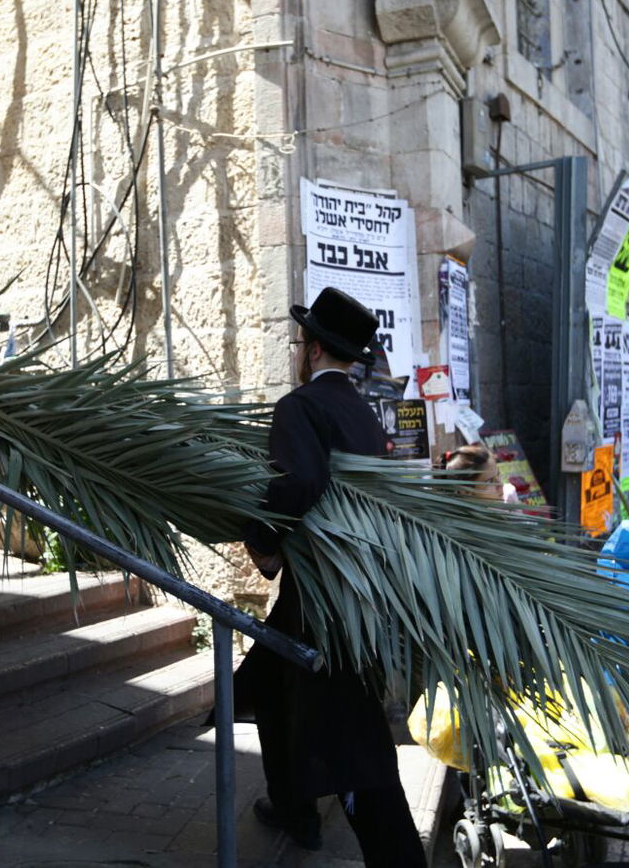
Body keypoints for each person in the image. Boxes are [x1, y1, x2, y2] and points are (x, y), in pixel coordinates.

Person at [235, 287, 424, 866]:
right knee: (269, 685)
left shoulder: (300, 406)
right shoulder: (362, 411)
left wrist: (264, 544)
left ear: (312, 349)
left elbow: (296, 484)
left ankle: (397, 859)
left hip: (325, 602)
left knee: (356, 751)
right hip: (344, 594)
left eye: (301, 344)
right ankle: (293, 807)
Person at [443, 443, 519, 503]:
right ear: (466, 491)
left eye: (498, 474)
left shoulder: (508, 499)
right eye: (489, 481)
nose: (500, 484)